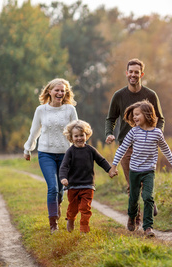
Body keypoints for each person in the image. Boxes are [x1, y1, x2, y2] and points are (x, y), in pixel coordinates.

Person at [105, 58, 164, 222]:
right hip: (127, 146)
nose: (133, 75)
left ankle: (149, 201)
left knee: (146, 182)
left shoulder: (150, 95)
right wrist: (109, 133)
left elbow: (160, 119)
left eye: (136, 72)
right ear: (126, 73)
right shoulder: (119, 96)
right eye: (130, 72)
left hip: (146, 146)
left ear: (141, 74)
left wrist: (156, 136)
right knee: (132, 185)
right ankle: (135, 218)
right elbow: (111, 118)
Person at [110, 100, 172, 237]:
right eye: (133, 115)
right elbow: (122, 149)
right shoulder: (133, 132)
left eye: (137, 114)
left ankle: (148, 227)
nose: (134, 117)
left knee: (148, 197)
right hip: (134, 170)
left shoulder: (157, 133)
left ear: (147, 114)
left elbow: (165, 148)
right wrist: (113, 165)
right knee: (133, 199)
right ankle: (132, 216)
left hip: (149, 171)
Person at [24, 78, 78, 234]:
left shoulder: (69, 110)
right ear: (49, 91)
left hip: (65, 155)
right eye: (57, 90)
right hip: (45, 153)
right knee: (53, 187)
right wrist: (28, 149)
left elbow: (76, 129)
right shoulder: (41, 110)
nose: (60, 93)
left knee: (60, 190)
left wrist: (79, 150)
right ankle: (53, 223)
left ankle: (57, 205)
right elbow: (35, 131)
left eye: (63, 91)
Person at [59, 120, 116, 233]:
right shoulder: (70, 152)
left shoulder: (90, 150)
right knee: (73, 208)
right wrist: (63, 178)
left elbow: (101, 160)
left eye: (82, 135)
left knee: (85, 208)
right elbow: (64, 166)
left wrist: (109, 170)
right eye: (76, 136)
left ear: (87, 135)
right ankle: (70, 219)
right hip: (73, 186)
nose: (79, 138)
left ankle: (84, 229)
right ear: (71, 137)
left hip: (88, 185)